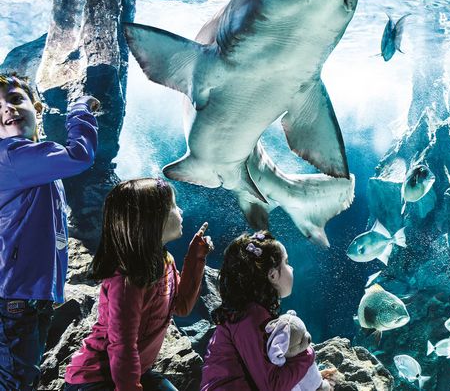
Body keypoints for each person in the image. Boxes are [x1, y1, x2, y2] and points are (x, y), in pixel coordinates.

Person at [64, 178, 214, 391]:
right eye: (172, 205)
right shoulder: (127, 278)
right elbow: (122, 345)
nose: (180, 210)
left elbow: (181, 306)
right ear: (152, 218)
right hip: (96, 379)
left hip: (135, 372)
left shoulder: (164, 261)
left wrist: (195, 258)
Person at [0, 73, 99, 391]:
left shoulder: (34, 161)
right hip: (14, 295)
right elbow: (80, 156)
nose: (7, 109)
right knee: (16, 380)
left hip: (28, 296)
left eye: (15, 99)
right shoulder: (12, 156)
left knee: (21, 376)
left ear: (37, 107)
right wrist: (80, 110)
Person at [201, 231, 333, 391]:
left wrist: (307, 376)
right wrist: (306, 355)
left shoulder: (250, 313)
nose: (291, 268)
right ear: (272, 275)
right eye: (286, 262)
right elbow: (272, 386)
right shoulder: (250, 318)